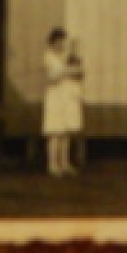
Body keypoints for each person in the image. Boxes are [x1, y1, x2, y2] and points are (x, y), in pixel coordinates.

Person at [42, 27, 83, 176]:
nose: (61, 45)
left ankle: (64, 163)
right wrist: (68, 71)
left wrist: (73, 69)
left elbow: (78, 72)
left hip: (66, 97)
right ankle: (52, 164)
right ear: (52, 43)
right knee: (55, 132)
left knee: (65, 132)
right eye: (59, 42)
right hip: (55, 97)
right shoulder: (48, 57)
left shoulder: (66, 57)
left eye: (63, 42)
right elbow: (52, 78)